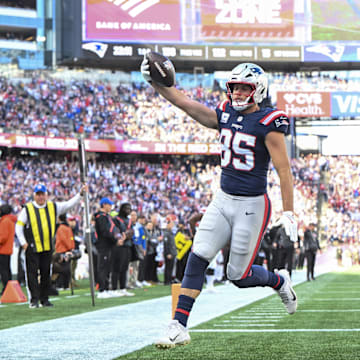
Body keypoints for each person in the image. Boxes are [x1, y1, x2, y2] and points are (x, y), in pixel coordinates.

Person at [141, 59, 298, 348]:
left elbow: (284, 170)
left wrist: (289, 212)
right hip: (223, 199)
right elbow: (185, 103)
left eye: (244, 89)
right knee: (197, 256)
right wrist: (154, 81)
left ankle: (279, 281)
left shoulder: (270, 122)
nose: (237, 94)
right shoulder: (224, 112)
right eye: (234, 88)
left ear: (258, 91)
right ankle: (179, 325)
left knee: (238, 276)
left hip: (252, 206)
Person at [15, 183, 87, 308]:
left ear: (46, 195)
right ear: (34, 195)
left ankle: (44, 299)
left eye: (42, 194)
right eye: (38, 195)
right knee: (32, 274)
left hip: (47, 247)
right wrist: (23, 243)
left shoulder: (53, 207)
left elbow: (68, 205)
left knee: (46, 273)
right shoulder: (28, 209)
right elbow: (19, 226)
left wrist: (80, 195)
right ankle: (34, 299)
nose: (40, 197)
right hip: (32, 247)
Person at [94, 197, 125, 298]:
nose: (111, 207)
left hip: (109, 245)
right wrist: (115, 239)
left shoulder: (106, 216)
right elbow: (105, 232)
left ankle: (107, 288)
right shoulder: (101, 217)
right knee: (102, 267)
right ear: (104, 205)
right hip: (103, 245)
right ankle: (102, 290)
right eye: (109, 205)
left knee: (107, 267)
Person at [111, 202, 135, 296]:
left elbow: (132, 231)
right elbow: (115, 231)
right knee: (116, 267)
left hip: (127, 246)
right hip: (119, 246)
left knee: (124, 268)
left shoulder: (129, 221)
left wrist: (129, 234)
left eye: (130, 209)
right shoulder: (116, 219)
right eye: (126, 208)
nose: (128, 210)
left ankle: (122, 288)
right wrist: (122, 236)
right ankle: (114, 288)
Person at [52, 213, 76, 290]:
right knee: (67, 268)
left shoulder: (61, 228)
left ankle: (61, 285)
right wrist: (71, 248)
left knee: (61, 269)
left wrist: (68, 247)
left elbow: (63, 239)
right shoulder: (68, 228)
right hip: (68, 250)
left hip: (61, 250)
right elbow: (71, 239)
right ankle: (66, 285)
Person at [0, 204, 17, 295]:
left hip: (2, 249)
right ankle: (8, 288)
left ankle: (6, 288)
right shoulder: (9, 220)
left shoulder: (5, 221)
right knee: (6, 269)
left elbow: (2, 237)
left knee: (4, 270)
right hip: (7, 248)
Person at [162, 215, 177, 285]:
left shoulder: (171, 233)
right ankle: (167, 281)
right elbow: (166, 244)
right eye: (171, 224)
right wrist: (168, 253)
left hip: (172, 252)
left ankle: (169, 279)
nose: (172, 226)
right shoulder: (166, 233)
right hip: (169, 253)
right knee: (168, 267)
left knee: (170, 267)